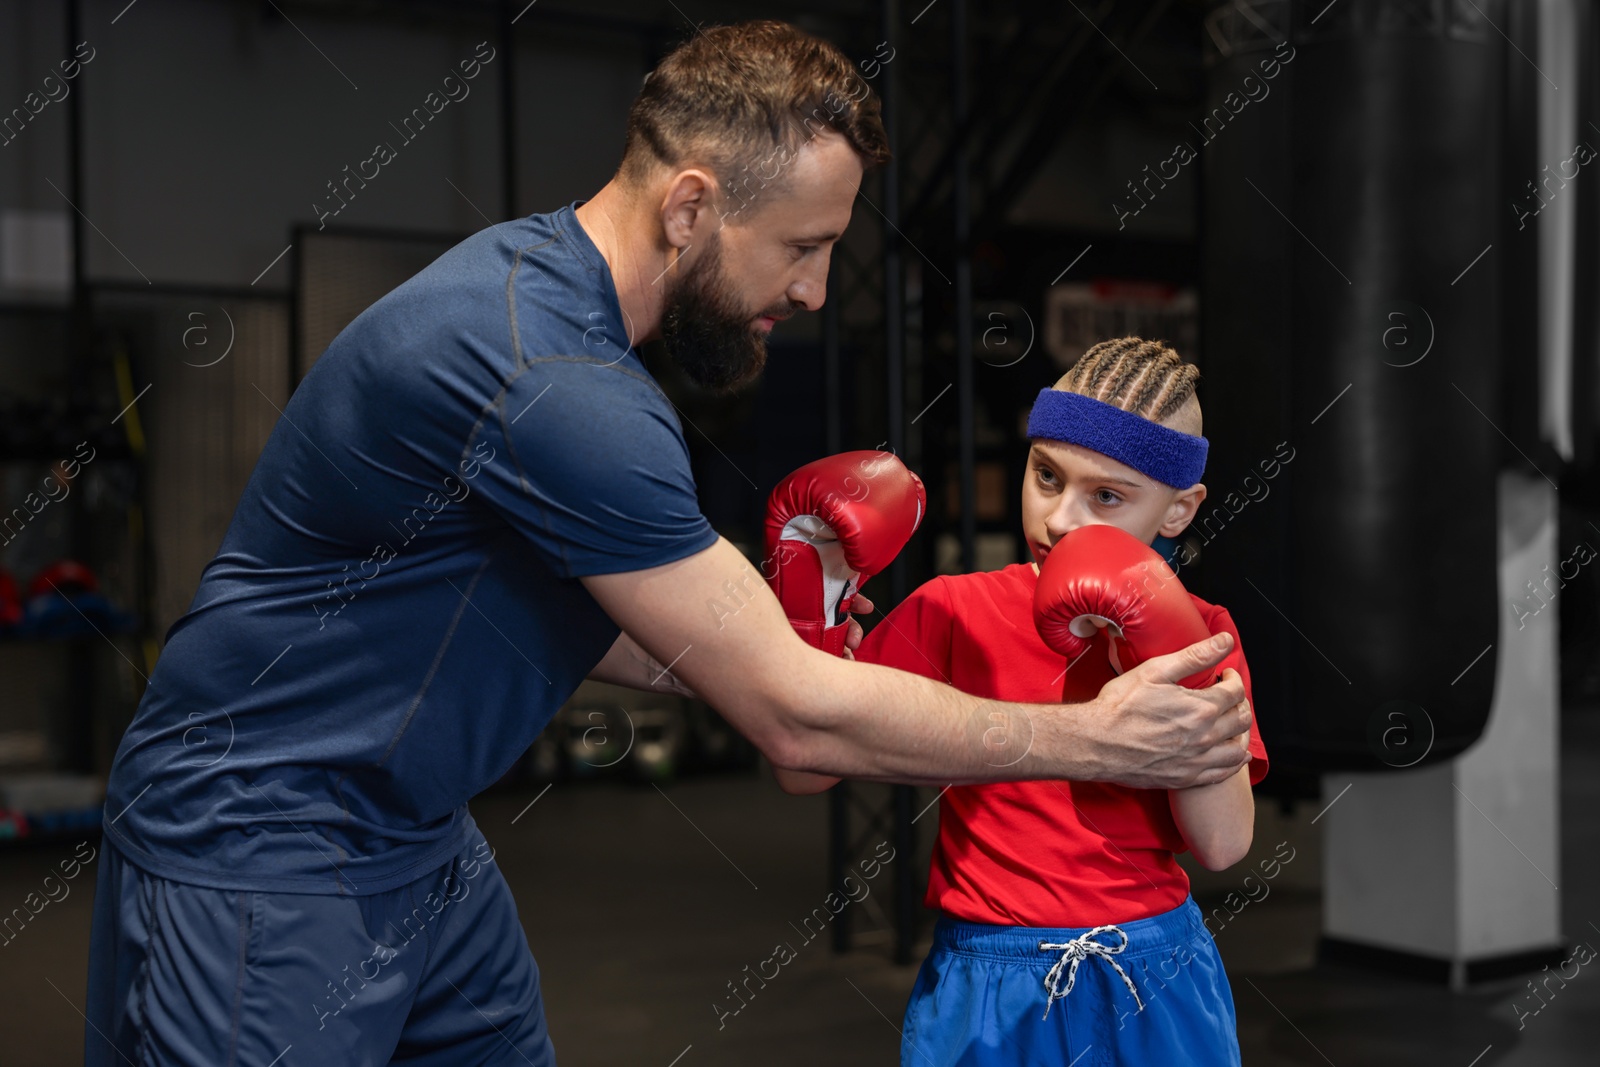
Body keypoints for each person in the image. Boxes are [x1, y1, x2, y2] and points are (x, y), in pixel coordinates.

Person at [85, 22, 1252, 1067]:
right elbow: (790, 718)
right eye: (802, 245)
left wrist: (799, 615)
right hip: (261, 837)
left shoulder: (555, 314)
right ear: (691, 206)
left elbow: (646, 637)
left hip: (412, 831)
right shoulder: (553, 380)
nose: (813, 288)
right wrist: (1090, 735)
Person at [776, 337, 1267, 1066]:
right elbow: (804, 768)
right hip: (990, 978)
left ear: (1178, 509)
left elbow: (1224, 844)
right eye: (1045, 475)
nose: (1060, 518)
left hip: (1155, 971)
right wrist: (810, 610)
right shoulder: (955, 610)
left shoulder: (1205, 634)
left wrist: (1171, 650)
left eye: (1106, 495)